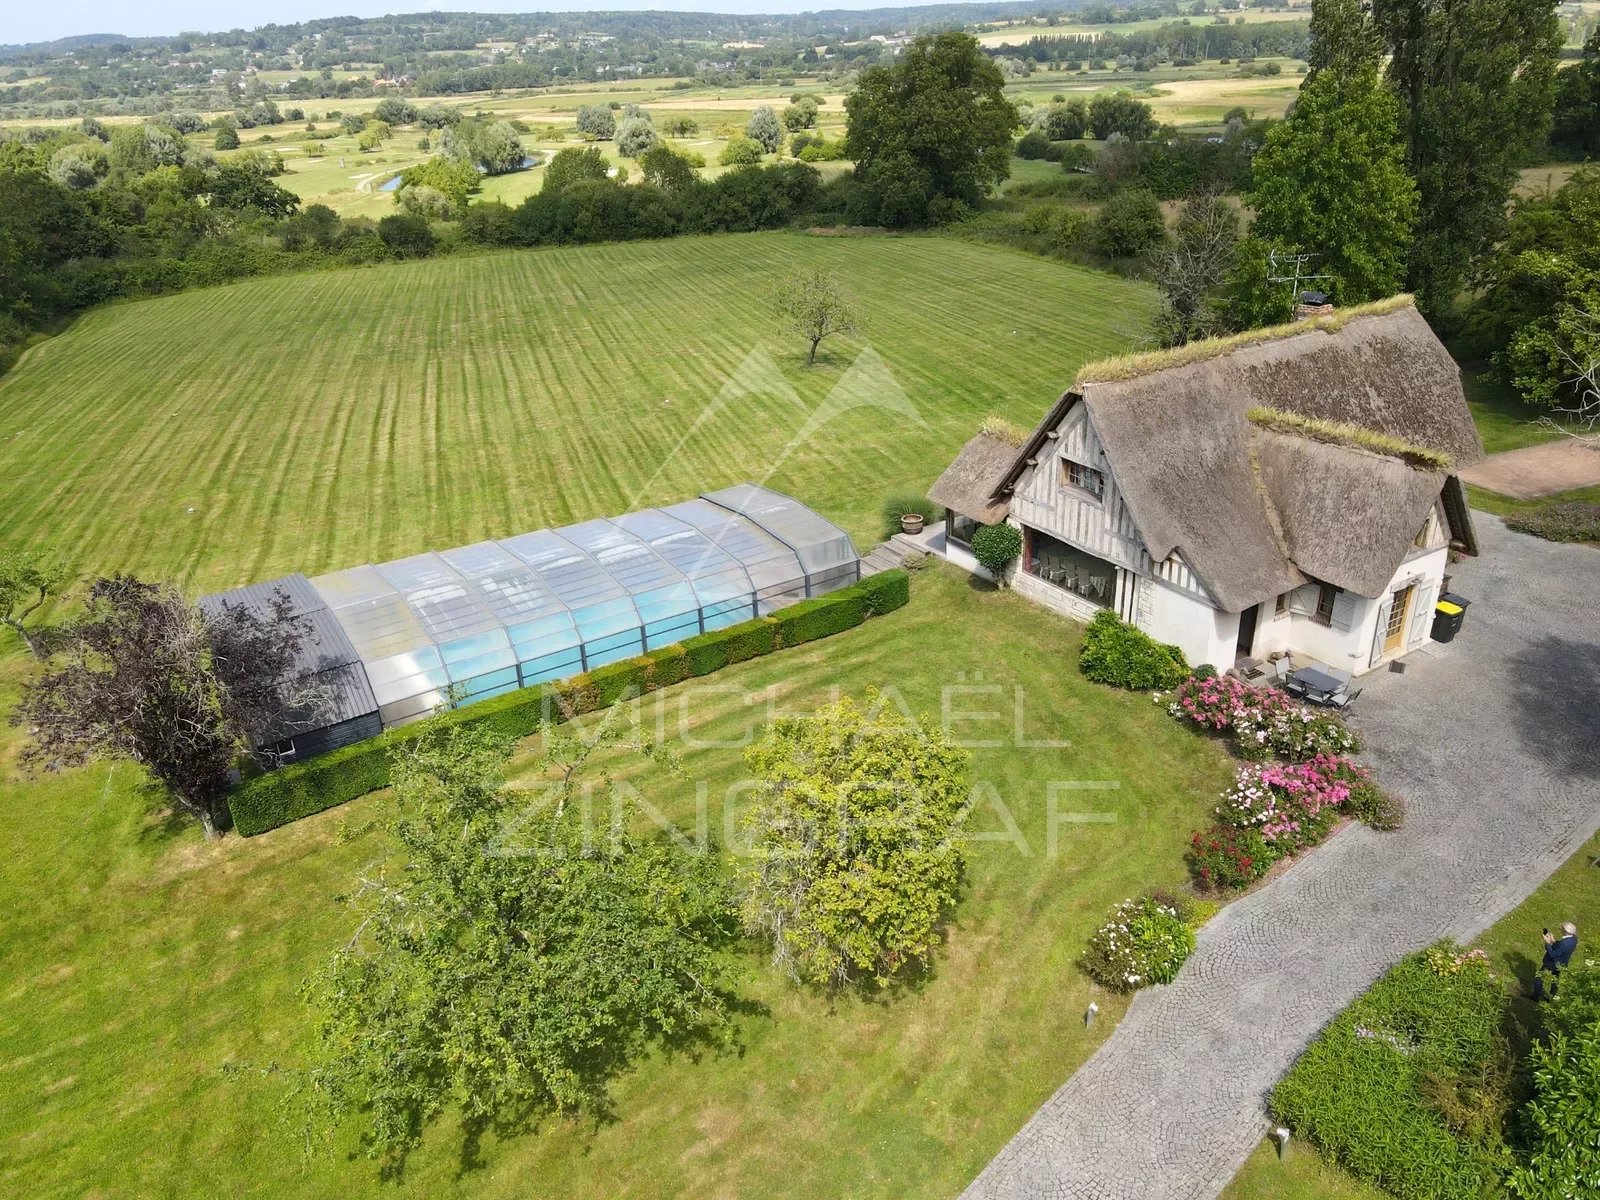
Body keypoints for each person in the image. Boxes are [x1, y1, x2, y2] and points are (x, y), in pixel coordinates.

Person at [1533, 922, 1579, 999]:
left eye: (1562, 929)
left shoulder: (1565, 943)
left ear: (1565, 932)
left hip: (1552, 964)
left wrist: (1548, 943)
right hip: (1561, 965)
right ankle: (1551, 997)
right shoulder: (1573, 939)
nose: (1560, 929)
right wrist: (1554, 941)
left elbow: (1553, 954)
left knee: (1539, 977)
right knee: (1555, 981)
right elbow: (1561, 949)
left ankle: (1535, 996)